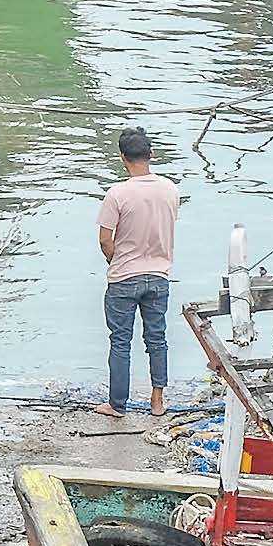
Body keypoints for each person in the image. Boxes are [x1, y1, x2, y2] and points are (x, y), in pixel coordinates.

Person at [96, 126, 178, 417]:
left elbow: (106, 238)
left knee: (121, 341)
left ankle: (117, 404)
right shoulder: (170, 189)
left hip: (124, 277)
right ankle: (157, 401)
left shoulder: (117, 193)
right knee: (157, 339)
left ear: (122, 158)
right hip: (159, 274)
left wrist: (114, 262)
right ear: (151, 154)